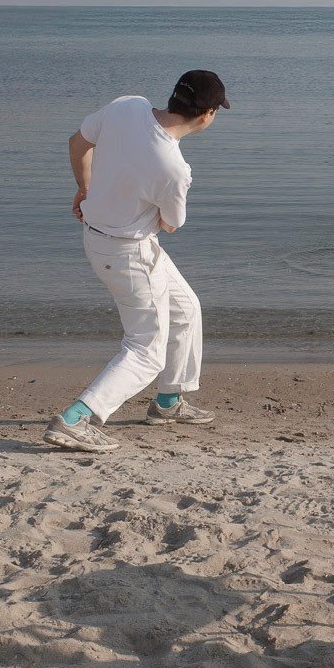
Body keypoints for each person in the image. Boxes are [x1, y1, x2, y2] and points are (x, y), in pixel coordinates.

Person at [43, 70, 229, 453]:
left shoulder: (128, 106)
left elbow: (78, 143)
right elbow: (170, 224)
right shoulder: (173, 167)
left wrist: (86, 188)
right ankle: (76, 418)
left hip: (101, 238)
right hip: (129, 255)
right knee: (146, 350)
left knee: (186, 309)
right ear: (207, 115)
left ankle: (168, 402)